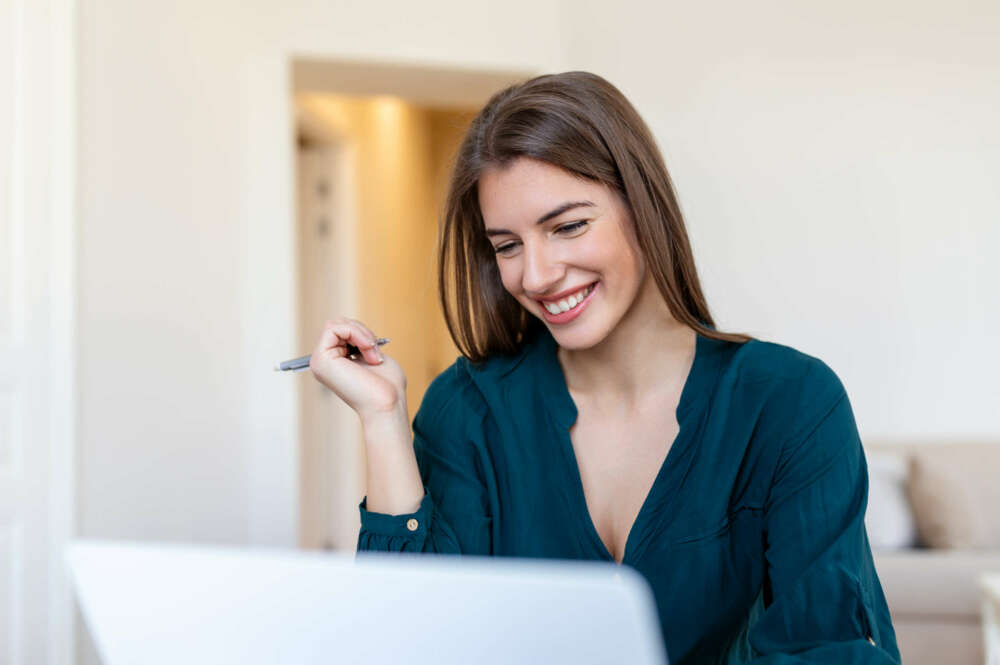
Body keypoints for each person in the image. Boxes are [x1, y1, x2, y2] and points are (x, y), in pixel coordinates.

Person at [307, 71, 900, 664]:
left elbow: (826, 646)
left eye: (567, 226)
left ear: (642, 206)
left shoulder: (789, 400)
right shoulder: (466, 411)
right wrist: (382, 420)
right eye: (507, 245)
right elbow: (410, 641)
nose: (535, 276)